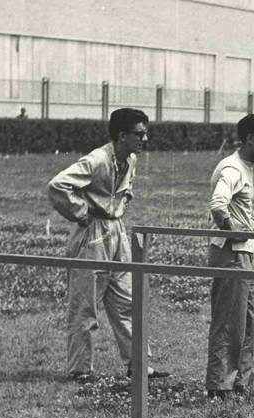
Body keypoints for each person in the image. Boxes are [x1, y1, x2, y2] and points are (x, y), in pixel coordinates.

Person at [47, 107, 167, 383]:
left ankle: (138, 365)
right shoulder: (97, 159)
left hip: (116, 231)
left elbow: (124, 187)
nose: (144, 139)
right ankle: (80, 370)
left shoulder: (131, 159)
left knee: (127, 300)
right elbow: (57, 185)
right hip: (91, 234)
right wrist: (81, 212)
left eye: (145, 133)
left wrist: (123, 200)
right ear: (122, 135)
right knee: (85, 305)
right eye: (139, 134)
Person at [205, 113, 254, 400]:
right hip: (230, 253)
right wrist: (233, 231)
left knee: (246, 320)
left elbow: (237, 210)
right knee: (228, 321)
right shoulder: (232, 168)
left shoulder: (245, 166)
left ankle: (238, 381)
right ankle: (218, 384)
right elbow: (218, 204)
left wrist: (251, 231)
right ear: (249, 140)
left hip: (242, 253)